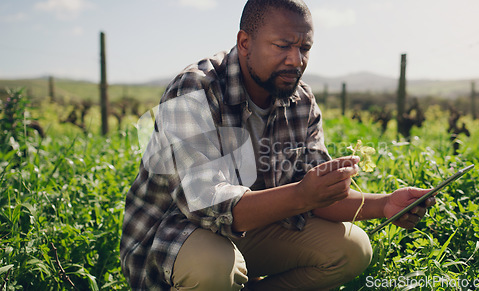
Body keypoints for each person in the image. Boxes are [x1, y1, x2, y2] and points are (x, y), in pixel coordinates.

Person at [120, 0, 436, 290]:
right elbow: (207, 206)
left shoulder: (301, 100)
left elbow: (316, 199)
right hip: (175, 237)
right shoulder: (194, 89)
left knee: (352, 249)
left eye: (305, 48)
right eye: (283, 46)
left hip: (249, 229)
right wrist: (301, 194)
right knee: (214, 267)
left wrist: (384, 205)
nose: (296, 60)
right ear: (245, 43)